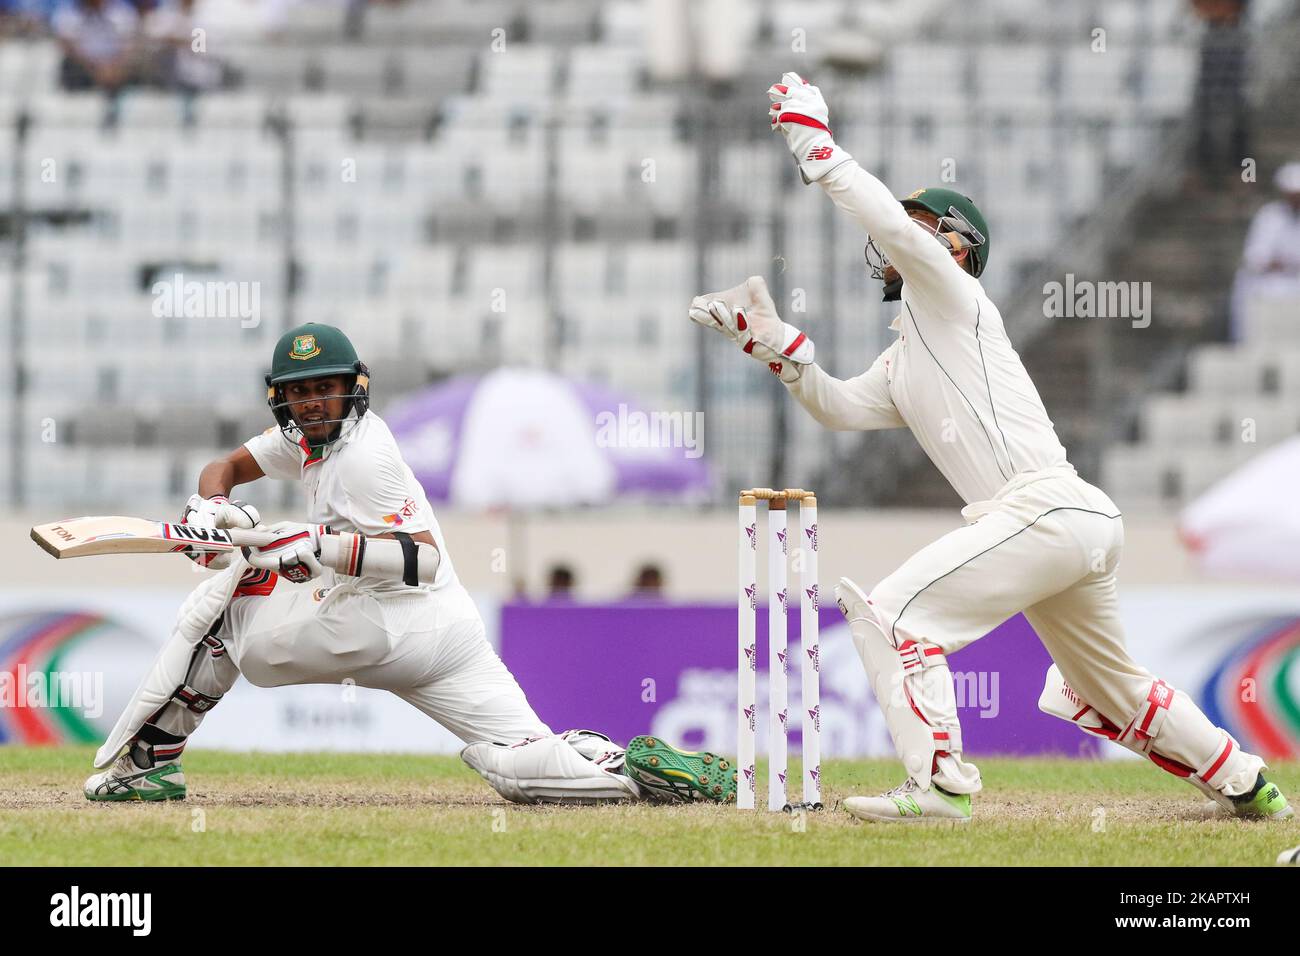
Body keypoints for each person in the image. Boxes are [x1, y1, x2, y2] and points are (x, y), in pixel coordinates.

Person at [689, 72, 1293, 824]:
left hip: (1041, 508)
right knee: (1110, 691)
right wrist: (776, 348)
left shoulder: (951, 295)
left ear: (955, 244)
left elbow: (898, 233)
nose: (893, 242)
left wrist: (819, 146)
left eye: (918, 224)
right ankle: (1243, 780)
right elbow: (841, 409)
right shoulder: (907, 353)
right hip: (1072, 520)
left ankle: (940, 784)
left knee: (892, 615)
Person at [83, 323, 732, 806]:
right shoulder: (302, 436)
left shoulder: (365, 457)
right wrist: (211, 502)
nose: (313, 403)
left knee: (233, 601)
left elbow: (417, 557)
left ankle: (148, 765)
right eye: (300, 392)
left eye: (325, 389)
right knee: (520, 762)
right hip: (446, 629)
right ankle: (635, 772)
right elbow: (225, 465)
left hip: (382, 623)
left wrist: (313, 547)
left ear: (352, 388)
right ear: (283, 398)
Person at [1230, 161, 1300, 339]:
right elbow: (1256, 257)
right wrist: (1282, 264)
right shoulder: (1269, 216)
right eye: (1293, 195)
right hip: (1269, 284)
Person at [53, 0, 141, 92]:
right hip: (82, 71)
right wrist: (95, 68)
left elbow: (129, 45)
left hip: (116, 70)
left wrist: (114, 67)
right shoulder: (68, 13)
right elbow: (68, 47)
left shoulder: (122, 12)